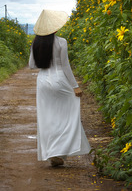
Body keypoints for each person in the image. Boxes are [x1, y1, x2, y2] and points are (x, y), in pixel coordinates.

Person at [29, 9, 91, 167]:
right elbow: (65, 66)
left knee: (47, 117)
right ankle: (60, 151)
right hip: (60, 80)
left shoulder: (35, 43)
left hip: (42, 81)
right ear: (55, 27)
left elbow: (32, 65)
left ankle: (52, 152)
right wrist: (75, 86)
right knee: (67, 114)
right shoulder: (61, 42)